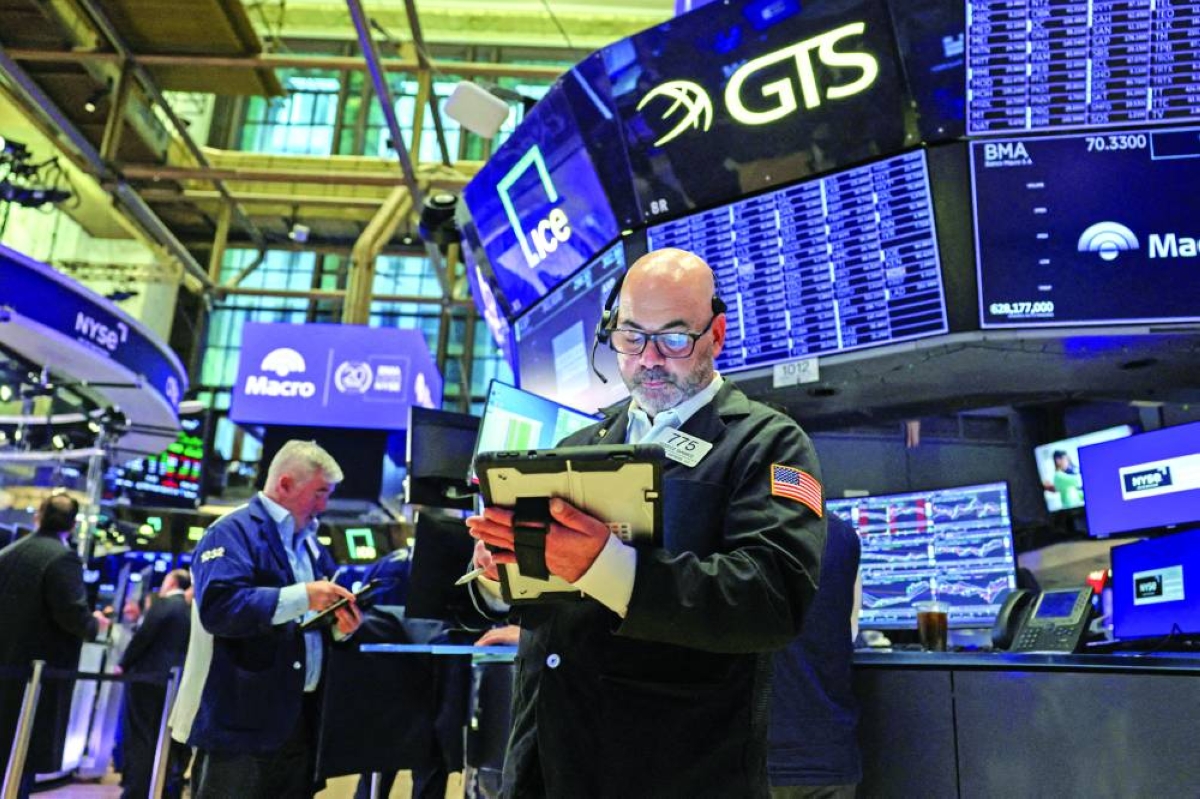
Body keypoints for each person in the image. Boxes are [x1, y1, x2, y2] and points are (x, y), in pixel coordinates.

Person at [466, 248, 828, 797]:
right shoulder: (578, 444)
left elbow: (771, 599)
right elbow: (541, 605)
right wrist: (499, 573)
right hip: (546, 760)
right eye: (631, 337)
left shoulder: (765, 443)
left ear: (717, 334)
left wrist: (606, 568)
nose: (649, 358)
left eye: (674, 339)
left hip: (672, 770)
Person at [170, 440, 363, 799]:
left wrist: (340, 628)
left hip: (299, 723)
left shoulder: (311, 543)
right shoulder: (232, 531)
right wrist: (303, 595)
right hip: (239, 724)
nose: (324, 504)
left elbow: (317, 618)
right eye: (319, 492)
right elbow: (220, 607)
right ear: (286, 484)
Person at [0, 494, 110, 797]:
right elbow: (73, 615)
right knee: (21, 763)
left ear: (38, 515)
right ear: (73, 525)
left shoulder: (8, 552)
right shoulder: (62, 558)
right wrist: (95, 624)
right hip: (34, 681)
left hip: (7, 673)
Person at [768, 513, 863, 798]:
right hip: (830, 754)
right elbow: (850, 631)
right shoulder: (844, 534)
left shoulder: (728, 524)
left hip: (758, 757)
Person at [119, 568, 194, 799]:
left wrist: (123, 663)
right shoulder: (189, 610)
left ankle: (137, 791)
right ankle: (159, 789)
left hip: (148, 678)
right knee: (165, 740)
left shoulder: (163, 605)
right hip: (175, 683)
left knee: (142, 737)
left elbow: (143, 638)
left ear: (171, 582)